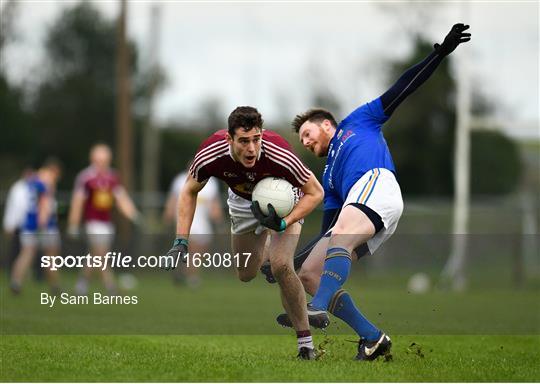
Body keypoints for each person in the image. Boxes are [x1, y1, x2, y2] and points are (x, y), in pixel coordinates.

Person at [266, 24, 472, 361]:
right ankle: (373, 338)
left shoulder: (358, 121)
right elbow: (327, 236)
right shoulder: (330, 178)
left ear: (326, 124)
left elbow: (402, 88)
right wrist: (285, 263)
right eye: (301, 139)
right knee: (311, 274)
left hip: (377, 186)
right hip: (362, 207)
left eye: (307, 133)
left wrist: (438, 54)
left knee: (339, 239)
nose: (304, 142)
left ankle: (318, 309)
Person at [163, 106, 324, 359]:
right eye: (244, 141)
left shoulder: (279, 154)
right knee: (246, 273)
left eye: (256, 139)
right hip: (241, 203)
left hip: (285, 202)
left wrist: (284, 222)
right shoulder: (211, 153)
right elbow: (188, 191)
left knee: (282, 266)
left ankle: (305, 345)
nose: (252, 148)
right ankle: (269, 248)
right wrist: (181, 240)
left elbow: (316, 192)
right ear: (229, 139)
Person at [68, 143, 141, 295]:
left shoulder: (113, 177)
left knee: (94, 254)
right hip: (92, 223)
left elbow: (122, 199)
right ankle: (110, 286)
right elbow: (77, 202)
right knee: (101, 254)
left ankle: (81, 285)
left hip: (106, 223)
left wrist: (134, 215)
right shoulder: (86, 177)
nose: (102, 163)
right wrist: (73, 223)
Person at [163, 168, 224, 287]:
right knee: (192, 248)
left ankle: (182, 272)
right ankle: (192, 277)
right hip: (186, 219)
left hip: (203, 223)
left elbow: (214, 204)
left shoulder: (210, 183)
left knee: (201, 251)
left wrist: (218, 220)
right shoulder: (180, 180)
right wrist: (168, 216)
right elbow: (173, 200)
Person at [10, 159, 62, 294]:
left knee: (26, 253)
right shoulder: (46, 182)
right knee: (50, 256)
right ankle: (55, 285)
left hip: (28, 224)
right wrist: (43, 222)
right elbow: (44, 204)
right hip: (43, 225)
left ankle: (16, 282)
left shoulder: (31, 181)